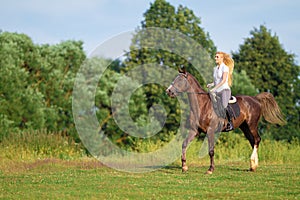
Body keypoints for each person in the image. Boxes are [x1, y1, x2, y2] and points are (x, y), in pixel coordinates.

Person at [207, 51, 234, 131]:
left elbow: (223, 81)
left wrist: (214, 88)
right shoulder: (215, 69)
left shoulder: (225, 67)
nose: (215, 58)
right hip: (217, 91)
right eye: (215, 56)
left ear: (222, 58)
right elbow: (216, 81)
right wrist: (211, 84)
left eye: (217, 57)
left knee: (224, 105)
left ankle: (230, 123)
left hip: (224, 90)